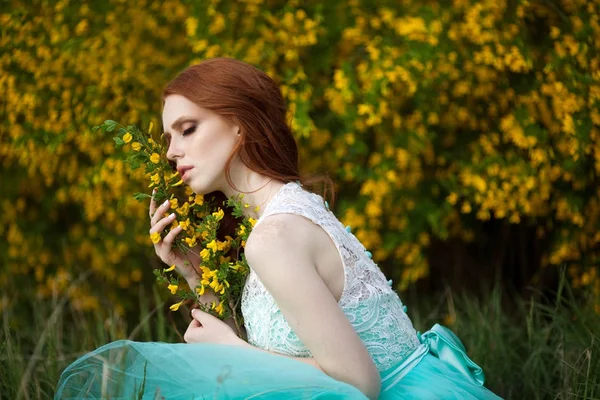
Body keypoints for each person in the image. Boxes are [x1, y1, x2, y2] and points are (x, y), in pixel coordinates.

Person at [55, 58, 502, 399]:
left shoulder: (274, 235)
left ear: (238, 126)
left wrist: (232, 351)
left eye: (186, 130)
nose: (171, 152)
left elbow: (358, 383)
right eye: (168, 137)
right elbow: (283, 355)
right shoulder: (289, 210)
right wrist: (195, 276)